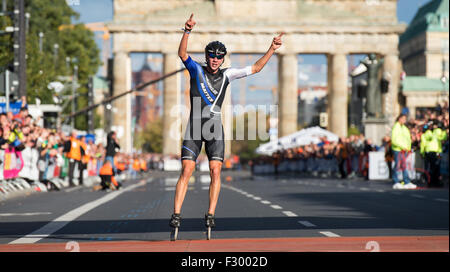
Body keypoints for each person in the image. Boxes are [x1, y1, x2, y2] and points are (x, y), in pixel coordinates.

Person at [170, 13, 284, 232]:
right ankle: (176, 214)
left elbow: (255, 68)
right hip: (195, 127)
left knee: (215, 171)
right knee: (186, 170)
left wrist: (271, 48)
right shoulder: (196, 70)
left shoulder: (228, 74)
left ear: (223, 59)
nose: (215, 60)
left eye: (219, 57)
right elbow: (182, 54)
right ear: (207, 57)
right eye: (212, 56)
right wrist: (187, 31)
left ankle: (210, 214)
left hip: (214, 129)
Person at [391, 114, 416, 189]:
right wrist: (403, 147)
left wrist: (408, 148)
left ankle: (405, 181)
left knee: (402, 166)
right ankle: (398, 181)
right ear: (399, 119)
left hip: (404, 150)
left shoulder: (404, 128)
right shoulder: (396, 127)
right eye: (403, 119)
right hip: (398, 149)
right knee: (399, 165)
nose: (405, 120)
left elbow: (407, 139)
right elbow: (394, 140)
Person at [421, 120, 447, 187]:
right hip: (430, 152)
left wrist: (443, 131)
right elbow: (426, 140)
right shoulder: (428, 132)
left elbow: (443, 138)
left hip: (437, 152)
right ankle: (431, 181)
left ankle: (436, 181)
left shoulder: (437, 131)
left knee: (437, 166)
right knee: (432, 167)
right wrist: (422, 152)